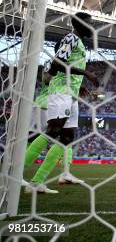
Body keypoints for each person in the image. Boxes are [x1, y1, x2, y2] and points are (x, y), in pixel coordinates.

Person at [25, 12, 100, 193]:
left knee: (67, 138)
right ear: (80, 24)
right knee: (53, 131)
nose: (93, 27)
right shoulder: (71, 38)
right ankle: (11, 173)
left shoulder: (80, 43)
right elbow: (58, 63)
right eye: (90, 23)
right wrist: (86, 74)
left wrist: (79, 86)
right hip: (60, 92)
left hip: (71, 95)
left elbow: (68, 66)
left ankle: (37, 182)